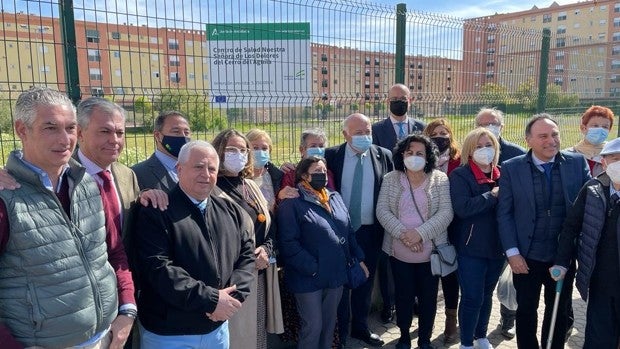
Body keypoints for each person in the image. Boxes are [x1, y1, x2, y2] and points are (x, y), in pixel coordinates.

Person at [0, 87, 121, 348]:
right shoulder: (5, 198)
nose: (65, 139)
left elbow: (112, 252)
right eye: (50, 128)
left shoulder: (88, 185)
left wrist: (127, 310)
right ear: (22, 130)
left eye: (70, 128)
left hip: (104, 337)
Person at [133, 140, 255, 349]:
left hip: (217, 330)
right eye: (198, 166)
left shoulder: (230, 210)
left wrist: (231, 298)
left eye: (212, 168)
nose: (206, 174)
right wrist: (211, 301)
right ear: (179, 169)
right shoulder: (157, 211)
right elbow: (158, 268)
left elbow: (247, 255)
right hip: (170, 334)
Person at [497, 114, 591, 349]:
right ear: (528, 140)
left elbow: (588, 206)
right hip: (525, 258)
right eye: (543, 136)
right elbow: (505, 213)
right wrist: (512, 252)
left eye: (555, 134)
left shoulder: (577, 164)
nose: (551, 141)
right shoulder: (512, 168)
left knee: (559, 311)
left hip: (562, 257)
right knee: (526, 311)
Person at [277, 156, 367, 349]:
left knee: (328, 326)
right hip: (308, 277)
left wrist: (358, 258)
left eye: (324, 172)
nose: (322, 176)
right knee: (313, 327)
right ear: (303, 175)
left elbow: (348, 231)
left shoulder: (334, 197)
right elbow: (288, 243)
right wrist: (313, 268)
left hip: (336, 275)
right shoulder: (292, 202)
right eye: (316, 172)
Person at [376, 133, 453, 349]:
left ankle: (425, 339)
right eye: (410, 152)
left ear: (428, 156)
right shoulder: (391, 179)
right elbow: (382, 211)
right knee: (403, 297)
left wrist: (419, 233)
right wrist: (404, 234)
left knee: (428, 299)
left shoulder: (440, 179)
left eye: (420, 153)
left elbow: (446, 213)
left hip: (431, 252)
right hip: (399, 252)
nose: (414, 156)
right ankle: (403, 336)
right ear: (402, 154)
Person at [325, 113, 393, 347]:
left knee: (365, 278)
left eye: (368, 132)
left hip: (370, 231)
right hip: (339, 232)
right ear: (345, 134)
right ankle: (340, 333)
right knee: (341, 285)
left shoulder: (383, 155)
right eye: (358, 132)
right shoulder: (331, 155)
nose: (365, 136)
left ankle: (361, 327)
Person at [212, 129, 282, 349]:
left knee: (257, 333)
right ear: (218, 152)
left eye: (243, 150)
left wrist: (267, 249)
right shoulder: (211, 189)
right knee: (237, 336)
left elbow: (269, 226)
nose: (238, 154)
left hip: (258, 274)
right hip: (230, 278)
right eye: (231, 149)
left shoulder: (250, 185)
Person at [551, 137, 620, 348]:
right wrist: (561, 262)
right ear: (604, 162)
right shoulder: (593, 189)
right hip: (601, 279)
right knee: (598, 337)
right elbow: (571, 226)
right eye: (615, 158)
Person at [371, 83, 426, 324]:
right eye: (394, 98)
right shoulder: (376, 129)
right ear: (387, 101)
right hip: (389, 194)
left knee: (417, 250)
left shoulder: (421, 127)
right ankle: (389, 302)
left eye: (402, 98)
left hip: (417, 195)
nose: (399, 102)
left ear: (410, 100)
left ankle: (413, 299)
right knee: (389, 253)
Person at [449, 128, 504, 349]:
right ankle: (466, 342)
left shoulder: (502, 173)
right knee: (472, 297)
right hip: (471, 248)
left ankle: (481, 336)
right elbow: (463, 208)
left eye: (488, 145)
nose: (484, 150)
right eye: (478, 147)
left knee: (487, 294)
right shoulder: (460, 175)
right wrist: (491, 196)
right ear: (470, 151)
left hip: (497, 247)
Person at [474, 107, 526, 339]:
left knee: (511, 280)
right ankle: (476, 327)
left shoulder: (517, 153)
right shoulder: (472, 152)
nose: (488, 128)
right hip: (483, 228)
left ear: (501, 127)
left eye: (493, 123)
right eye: (483, 124)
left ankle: (508, 319)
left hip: (513, 226)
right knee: (483, 284)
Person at [423, 117, 460, 343]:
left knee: (449, 273)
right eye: (435, 133)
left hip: (453, 225)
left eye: (445, 133)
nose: (441, 137)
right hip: (425, 226)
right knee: (426, 275)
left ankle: (450, 318)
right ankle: (426, 318)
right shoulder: (421, 159)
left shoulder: (459, 160)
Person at [132, 110, 191, 192]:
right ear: (158, 136)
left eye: (186, 132)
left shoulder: (198, 168)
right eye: (176, 131)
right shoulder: (137, 174)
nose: (183, 136)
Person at [277, 128, 336, 202]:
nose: (318, 149)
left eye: (321, 146)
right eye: (313, 146)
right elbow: (284, 201)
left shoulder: (328, 173)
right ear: (302, 149)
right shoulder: (291, 173)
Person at [565, 105, 615, 176]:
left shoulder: (613, 155)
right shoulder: (569, 155)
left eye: (605, 127)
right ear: (583, 128)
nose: (600, 129)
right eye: (595, 126)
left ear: (609, 130)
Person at [247, 128, 283, 212]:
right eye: (255, 148)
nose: (260, 152)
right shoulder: (239, 177)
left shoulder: (276, 176)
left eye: (264, 148)